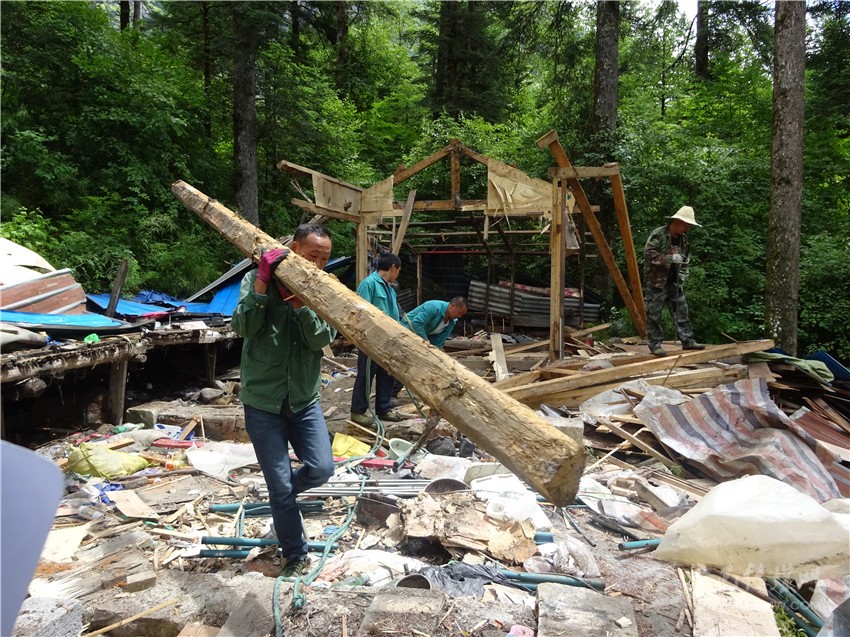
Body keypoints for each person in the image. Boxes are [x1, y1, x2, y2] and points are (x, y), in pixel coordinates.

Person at [231, 224, 336, 578]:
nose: (318, 265)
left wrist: (301, 306)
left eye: (324, 259)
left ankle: (283, 494)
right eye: (312, 256)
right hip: (263, 400)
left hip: (304, 398)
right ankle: (295, 554)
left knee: (322, 468)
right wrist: (263, 284)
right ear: (294, 249)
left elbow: (321, 337)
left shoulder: (325, 289)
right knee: (278, 485)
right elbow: (243, 327)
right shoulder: (254, 279)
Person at [350, 253, 406, 425]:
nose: (398, 274)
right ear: (393, 267)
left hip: (389, 341)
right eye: (399, 270)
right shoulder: (369, 284)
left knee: (386, 375)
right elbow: (361, 312)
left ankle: (384, 409)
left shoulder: (390, 289)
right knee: (366, 375)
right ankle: (358, 412)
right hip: (371, 340)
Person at [643, 206, 705, 356]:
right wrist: (670, 258)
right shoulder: (659, 234)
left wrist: (683, 276)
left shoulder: (684, 240)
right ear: (678, 222)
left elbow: (686, 261)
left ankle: (687, 341)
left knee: (682, 311)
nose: (688, 228)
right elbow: (648, 254)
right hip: (656, 282)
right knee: (654, 315)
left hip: (674, 282)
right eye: (686, 225)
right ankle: (655, 345)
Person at [404, 297, 468, 349]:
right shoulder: (434, 307)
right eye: (459, 313)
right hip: (405, 331)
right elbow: (417, 323)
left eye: (462, 314)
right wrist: (426, 342)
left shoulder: (452, 322)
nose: (459, 316)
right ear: (453, 306)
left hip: (418, 339)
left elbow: (439, 342)